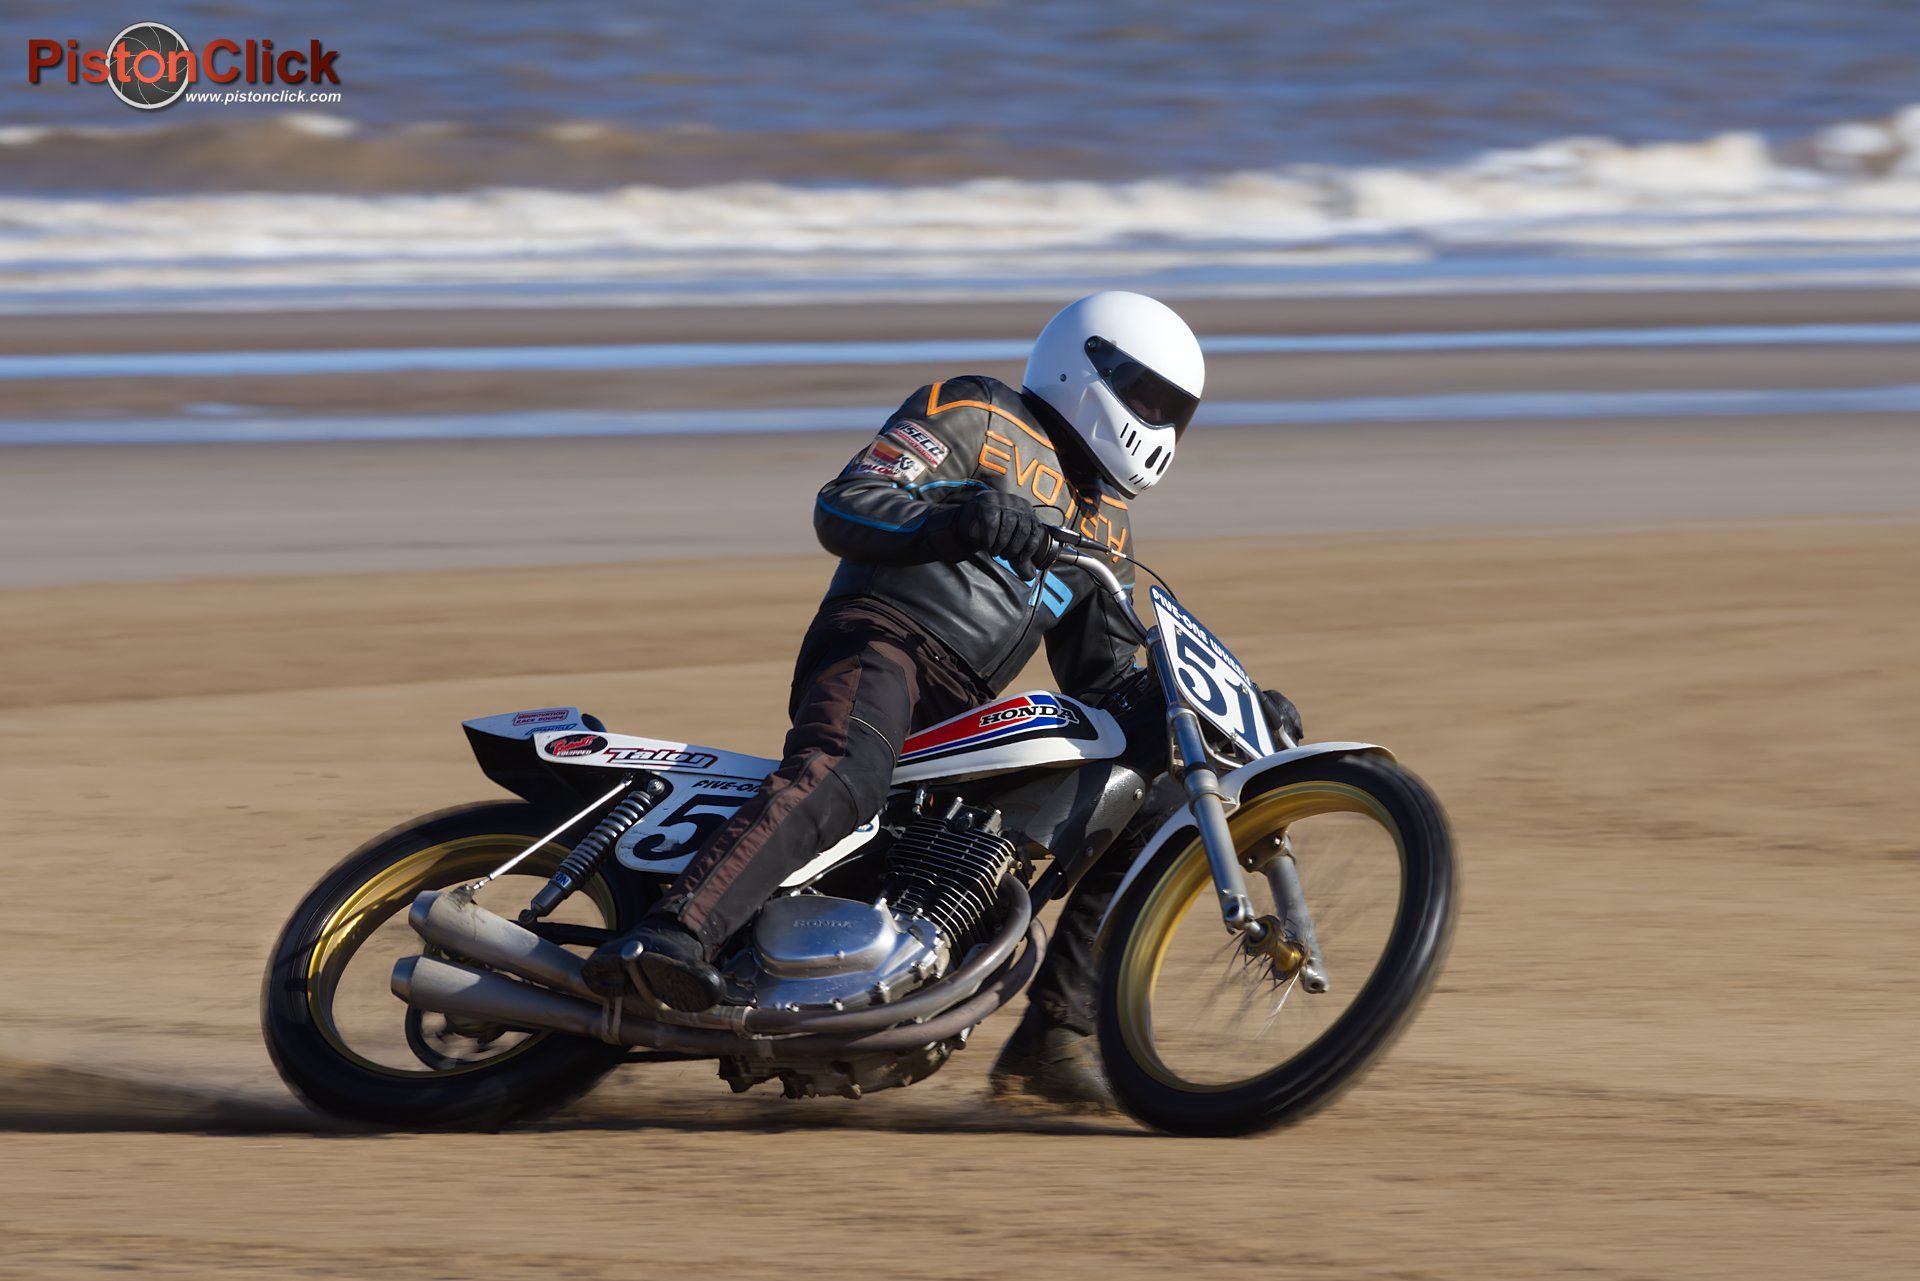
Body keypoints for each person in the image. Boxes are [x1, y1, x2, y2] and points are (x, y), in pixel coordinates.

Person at [584, 291, 1302, 1106]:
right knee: (845, 770)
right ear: (1084, 365)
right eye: (1143, 397)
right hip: (880, 638)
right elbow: (846, 502)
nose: (1155, 422)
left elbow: (1104, 675)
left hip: (963, 711)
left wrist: (1223, 710)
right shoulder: (975, 410)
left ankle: (1053, 1039)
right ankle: (672, 932)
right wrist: (958, 520)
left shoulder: (1108, 526)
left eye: (1174, 410)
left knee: (1148, 796)